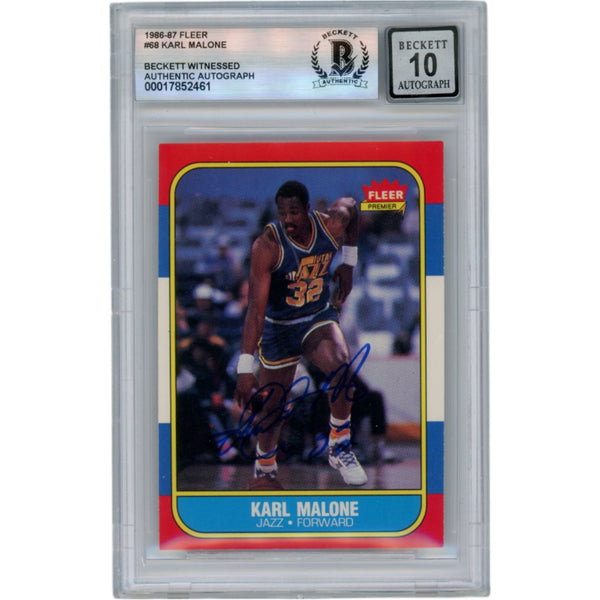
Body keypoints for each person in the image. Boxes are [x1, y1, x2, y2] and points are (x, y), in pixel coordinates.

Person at [234, 180, 367, 489]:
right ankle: (265, 467)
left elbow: (351, 206)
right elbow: (255, 310)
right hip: (279, 327)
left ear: (307, 209)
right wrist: (244, 367)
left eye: (294, 212)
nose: (288, 220)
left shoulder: (331, 225)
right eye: (282, 214)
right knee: (273, 408)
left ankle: (340, 445)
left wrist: (348, 263)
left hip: (316, 318)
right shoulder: (268, 245)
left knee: (342, 367)